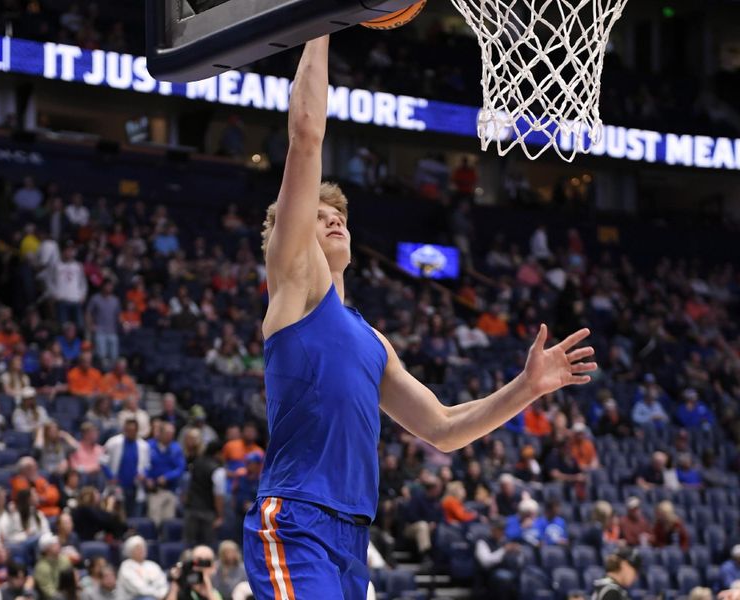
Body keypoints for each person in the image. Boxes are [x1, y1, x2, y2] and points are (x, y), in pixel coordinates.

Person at [242, 36, 596, 600]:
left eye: (340, 216)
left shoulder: (371, 340)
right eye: (318, 214)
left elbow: (444, 429)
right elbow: (306, 135)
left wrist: (527, 387)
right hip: (297, 520)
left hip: (352, 537)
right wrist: (319, 24)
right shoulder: (294, 287)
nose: (332, 220)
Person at [101, 420, 150, 519]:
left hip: (135, 487)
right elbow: (102, 461)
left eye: (133, 430)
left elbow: (147, 465)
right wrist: (110, 476)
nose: (131, 432)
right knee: (116, 518)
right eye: (128, 430)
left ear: (137, 431)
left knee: (135, 520)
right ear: (124, 430)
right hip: (117, 487)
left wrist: (144, 474)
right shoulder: (113, 442)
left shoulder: (144, 446)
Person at [184, 441, 225, 547]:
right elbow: (218, 496)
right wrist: (220, 516)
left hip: (191, 509)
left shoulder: (196, 463)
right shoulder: (218, 470)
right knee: (208, 547)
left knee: (189, 545)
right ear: (217, 453)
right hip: (208, 513)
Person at [145, 422, 185, 527]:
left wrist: (167, 477)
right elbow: (143, 465)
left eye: (172, 434)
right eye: (167, 433)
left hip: (170, 489)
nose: (170, 436)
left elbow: (180, 468)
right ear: (160, 433)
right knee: (154, 520)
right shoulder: (149, 446)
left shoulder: (176, 448)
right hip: (154, 490)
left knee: (169, 521)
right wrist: (147, 478)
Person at [474, 520, 521, 599]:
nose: (502, 532)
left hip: (507, 572)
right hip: (487, 577)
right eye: (500, 529)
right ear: (492, 529)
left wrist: (517, 553)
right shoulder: (482, 542)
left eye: (503, 529)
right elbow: (486, 562)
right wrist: (504, 550)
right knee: (504, 576)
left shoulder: (505, 541)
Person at [33, 533, 72, 600]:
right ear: (47, 549)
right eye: (54, 544)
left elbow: (71, 578)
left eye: (57, 543)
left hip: (68, 592)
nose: (58, 545)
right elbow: (48, 591)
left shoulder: (64, 559)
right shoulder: (42, 567)